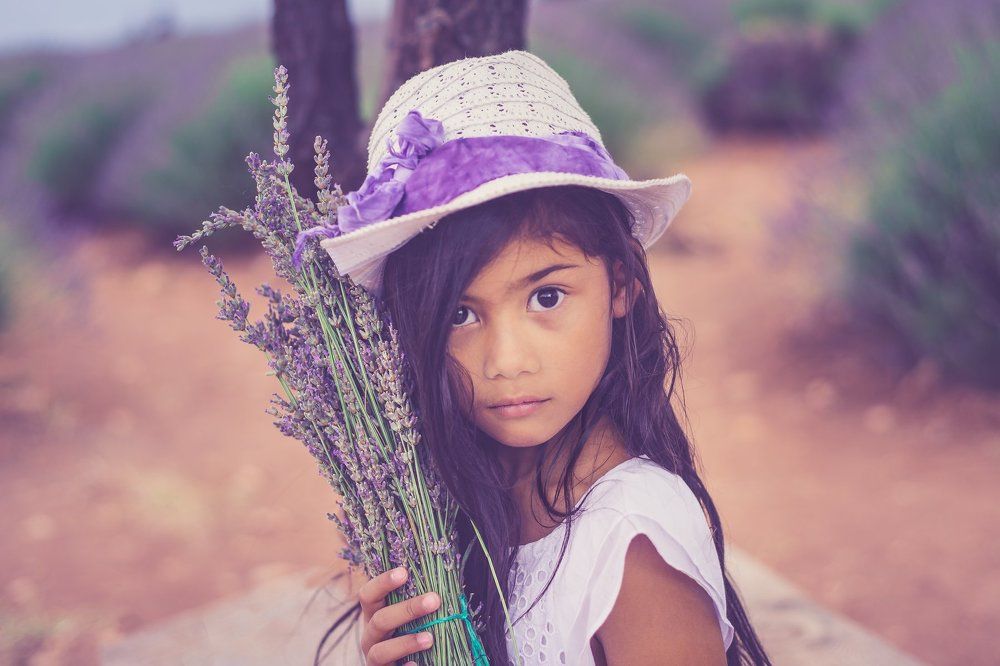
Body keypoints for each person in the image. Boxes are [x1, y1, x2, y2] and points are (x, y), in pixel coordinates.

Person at [309, 50, 772, 665]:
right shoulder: (461, 490)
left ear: (622, 285)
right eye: (459, 314)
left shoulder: (629, 545)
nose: (505, 362)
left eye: (546, 296)